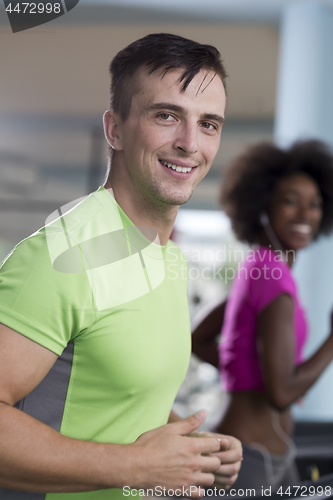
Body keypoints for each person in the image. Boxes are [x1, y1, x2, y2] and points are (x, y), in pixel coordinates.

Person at [0, 33, 242, 499]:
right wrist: (137, 466)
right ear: (115, 129)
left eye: (209, 123)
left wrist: (190, 449)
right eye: (167, 116)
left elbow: (118, 395)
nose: (190, 143)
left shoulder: (166, 256)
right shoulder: (60, 256)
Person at [192, 140, 333, 490]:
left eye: (314, 204)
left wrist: (247, 373)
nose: (305, 214)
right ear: (262, 206)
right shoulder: (273, 282)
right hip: (250, 462)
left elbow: (197, 339)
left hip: (267, 454)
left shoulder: (259, 268)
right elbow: (281, 394)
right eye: (290, 201)